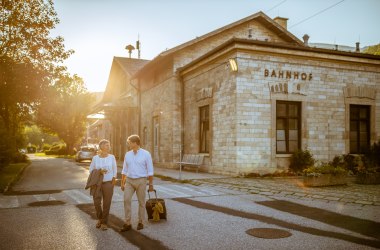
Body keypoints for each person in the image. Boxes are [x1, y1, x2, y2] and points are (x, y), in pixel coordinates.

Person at [120, 134, 154, 231]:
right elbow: (124, 170)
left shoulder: (146, 154)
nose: (128, 144)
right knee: (126, 200)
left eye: (130, 142)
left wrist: (150, 184)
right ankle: (127, 222)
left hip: (141, 181)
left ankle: (140, 222)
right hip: (129, 181)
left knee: (141, 202)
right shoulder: (127, 154)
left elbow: (150, 170)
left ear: (135, 143)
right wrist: (122, 183)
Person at [88, 139, 117, 231]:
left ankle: (104, 223)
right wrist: (99, 171)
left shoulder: (112, 157)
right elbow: (91, 170)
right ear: (101, 147)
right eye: (106, 145)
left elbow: (115, 169)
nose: (109, 147)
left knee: (106, 203)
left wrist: (113, 179)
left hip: (108, 183)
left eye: (109, 145)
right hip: (97, 183)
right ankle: (100, 219)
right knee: (96, 202)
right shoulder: (95, 158)